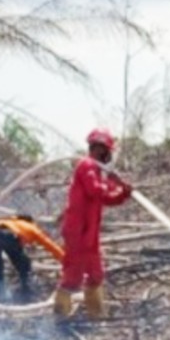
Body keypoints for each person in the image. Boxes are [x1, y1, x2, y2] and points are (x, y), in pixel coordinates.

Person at [54, 128, 133, 319]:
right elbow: (95, 191)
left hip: (90, 234)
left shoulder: (98, 172)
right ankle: (60, 317)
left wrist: (123, 191)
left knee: (96, 275)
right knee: (73, 278)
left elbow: (107, 199)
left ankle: (96, 316)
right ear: (100, 149)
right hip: (77, 233)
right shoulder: (86, 166)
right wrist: (115, 182)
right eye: (107, 151)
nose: (109, 155)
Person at [0, 214, 64, 301]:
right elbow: (50, 245)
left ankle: (0, 292)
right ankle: (27, 291)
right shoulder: (30, 227)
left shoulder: (3, 221)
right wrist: (65, 260)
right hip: (10, 236)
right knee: (23, 264)